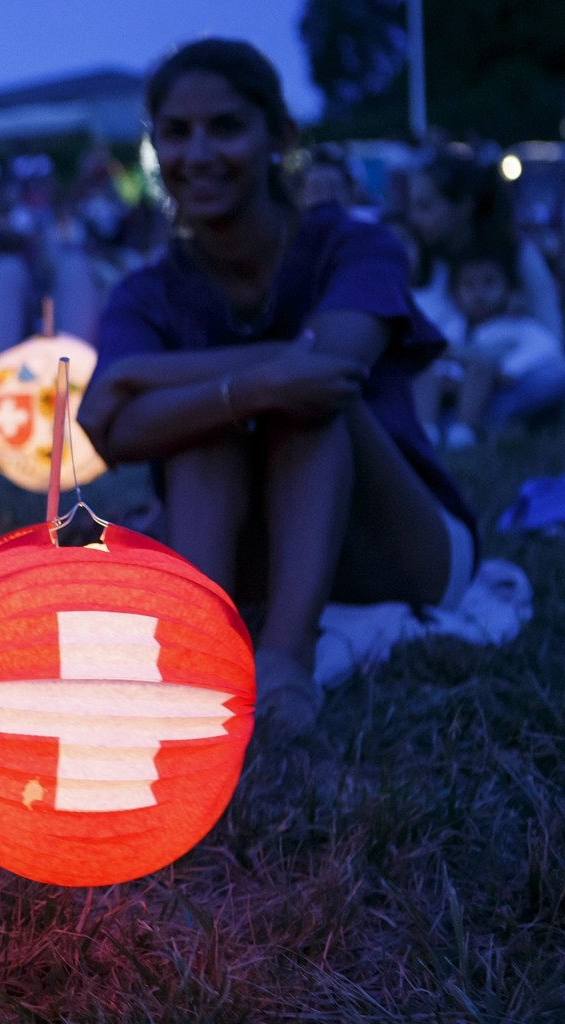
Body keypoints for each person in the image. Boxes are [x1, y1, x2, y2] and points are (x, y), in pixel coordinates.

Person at [77, 38, 477, 738]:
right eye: (177, 132)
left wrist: (141, 375)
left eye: (225, 127)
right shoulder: (147, 291)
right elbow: (112, 432)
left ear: (279, 137)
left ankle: (288, 658)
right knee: (214, 419)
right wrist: (246, 384)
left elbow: (332, 370)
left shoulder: (353, 243)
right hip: (246, 552)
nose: (198, 154)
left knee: (300, 404)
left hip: (398, 543)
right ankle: (204, 653)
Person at [413, 235, 565, 447]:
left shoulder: (516, 325)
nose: (479, 293)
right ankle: (426, 428)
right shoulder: (452, 323)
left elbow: (547, 347)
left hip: (492, 393)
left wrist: (509, 370)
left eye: (489, 282)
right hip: (446, 392)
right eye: (469, 285)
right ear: (456, 293)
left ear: (508, 288)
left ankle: (463, 431)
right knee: (426, 370)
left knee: (480, 368)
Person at [407, 148, 565, 344]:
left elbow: (552, 334)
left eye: (425, 206)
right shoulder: (422, 261)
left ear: (464, 205)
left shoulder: (515, 254)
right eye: (412, 206)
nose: (414, 218)